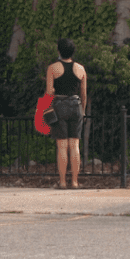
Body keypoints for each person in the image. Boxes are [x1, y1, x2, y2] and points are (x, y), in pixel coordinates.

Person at [45, 37, 87, 189]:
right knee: (75, 145)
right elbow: (84, 93)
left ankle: (62, 182)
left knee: (62, 146)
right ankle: (75, 182)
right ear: (73, 51)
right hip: (76, 105)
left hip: (60, 105)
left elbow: (49, 92)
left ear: (59, 51)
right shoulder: (81, 69)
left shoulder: (52, 68)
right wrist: (83, 110)